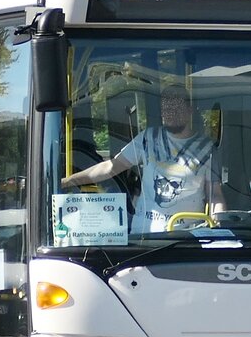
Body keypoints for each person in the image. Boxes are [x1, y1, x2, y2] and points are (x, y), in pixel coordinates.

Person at [61, 85, 224, 233]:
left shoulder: (207, 149)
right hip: (144, 237)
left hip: (186, 237)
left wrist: (220, 229)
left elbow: (215, 195)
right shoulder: (148, 138)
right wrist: (69, 181)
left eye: (176, 109)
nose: (170, 114)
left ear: (190, 110)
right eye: (166, 110)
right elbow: (111, 167)